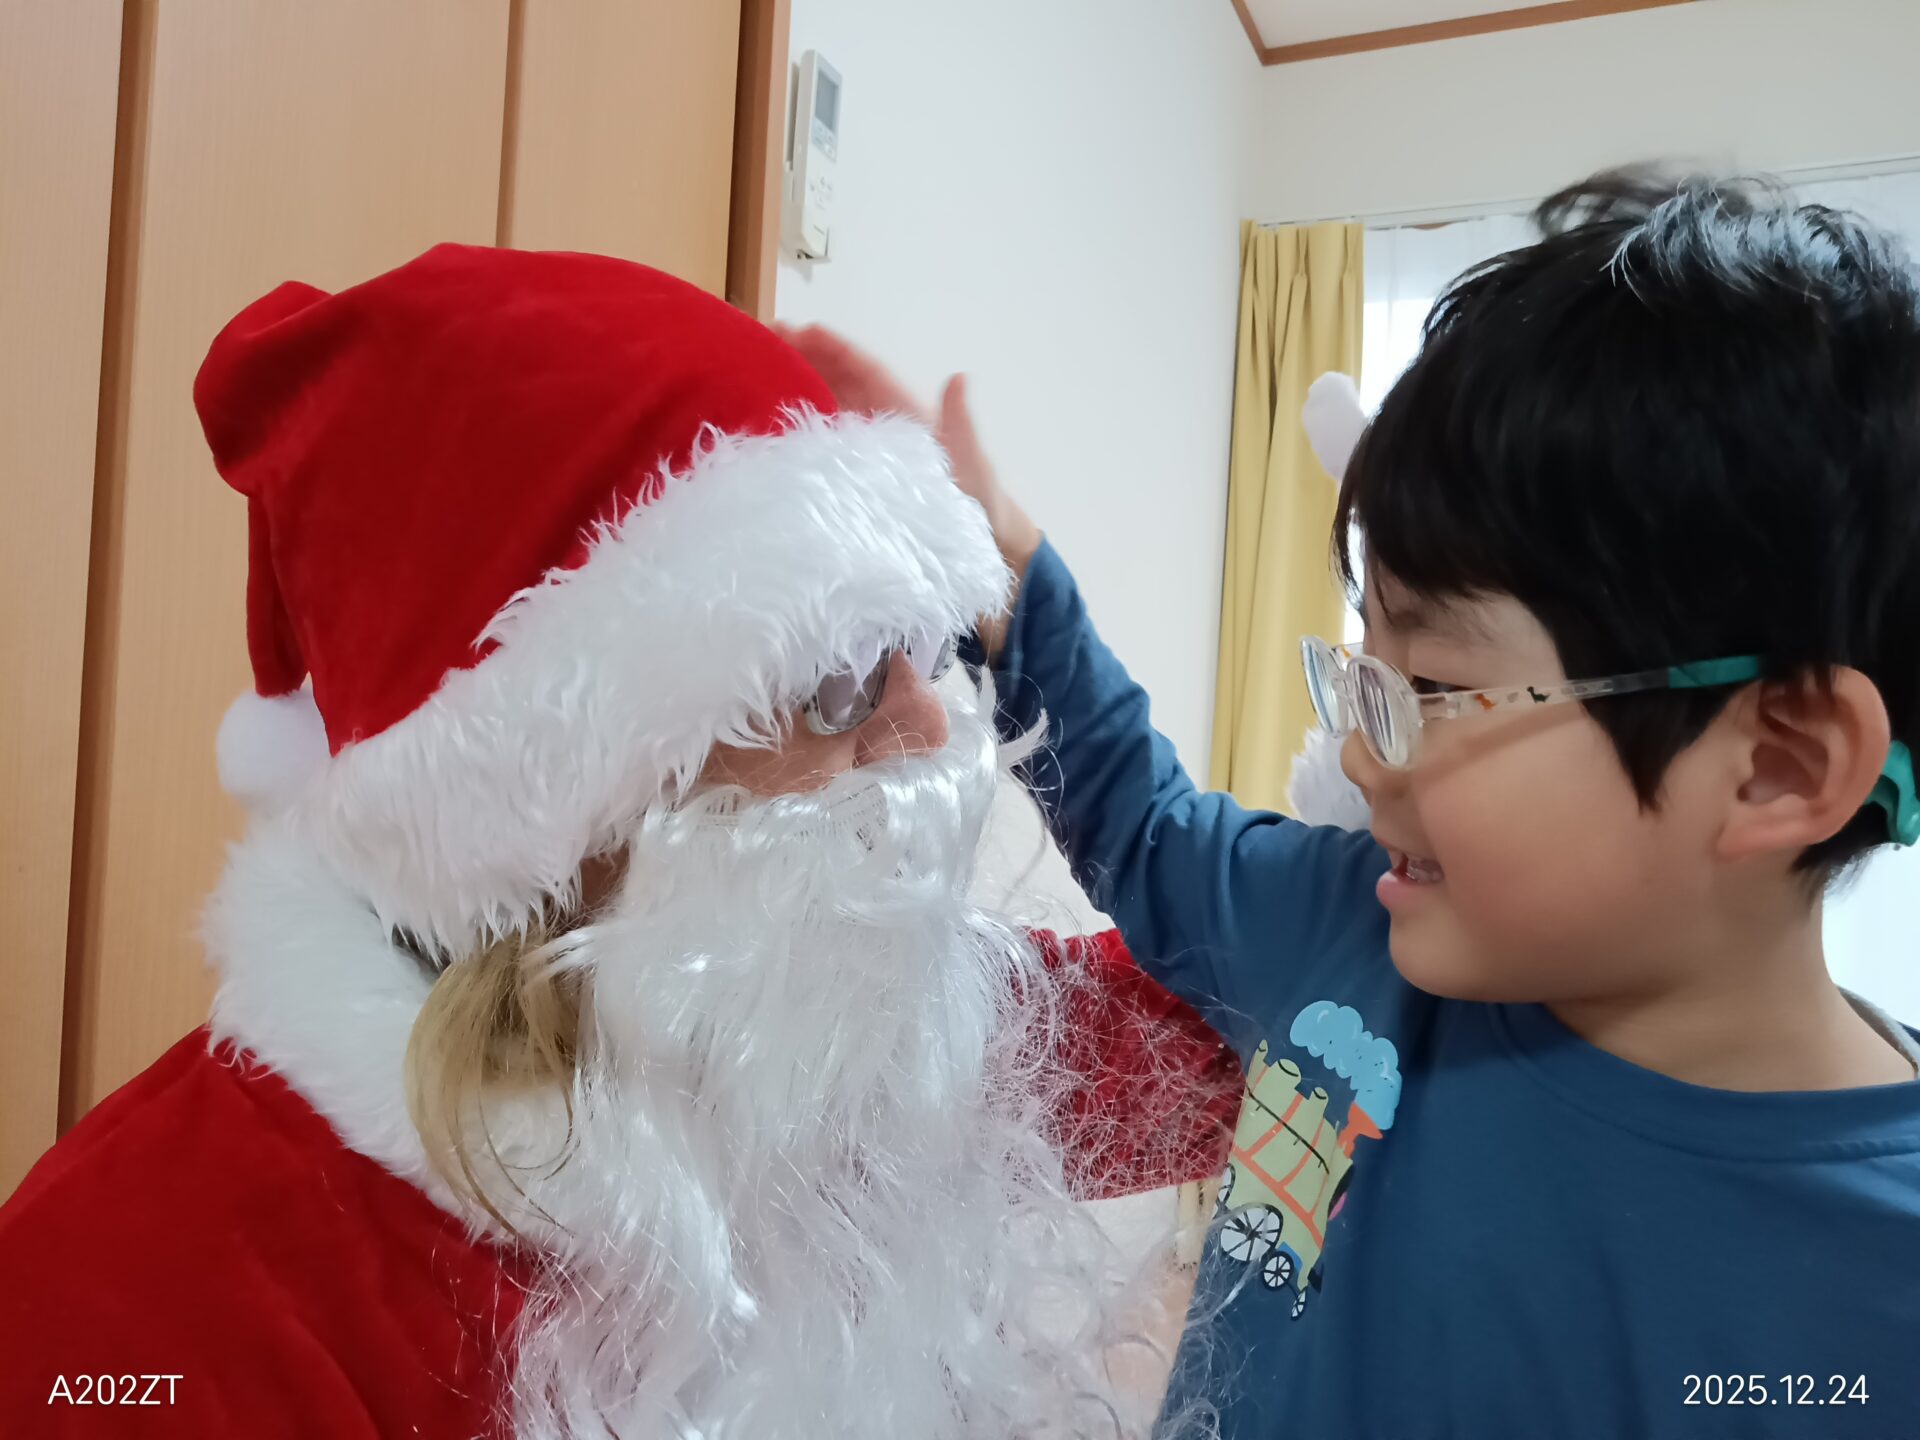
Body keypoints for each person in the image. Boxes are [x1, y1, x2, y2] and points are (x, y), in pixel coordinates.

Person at [0, 245, 1241, 1439]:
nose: (927, 733)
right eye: (837, 686)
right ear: (558, 806)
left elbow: (1275, 1031)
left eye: (928, 651)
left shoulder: (821, 1012)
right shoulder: (133, 1306)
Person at [789, 172, 1920, 1438]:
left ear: (1777, 768)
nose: (1362, 758)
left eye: (1429, 687)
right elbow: (1147, 826)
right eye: (1361, 674)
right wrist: (1003, 571)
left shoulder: (1877, 1298)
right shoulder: (1348, 928)